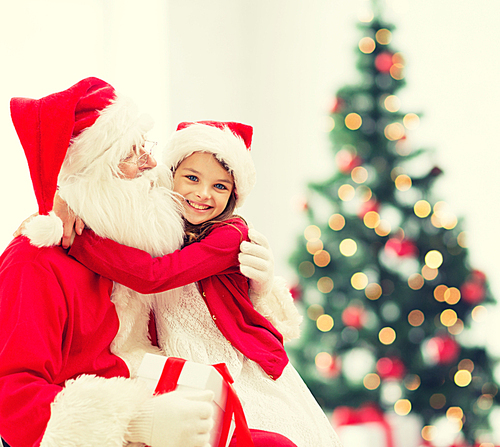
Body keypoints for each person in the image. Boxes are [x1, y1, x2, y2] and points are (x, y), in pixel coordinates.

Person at [0, 78, 297, 447]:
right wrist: (136, 423)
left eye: (147, 147)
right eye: (133, 154)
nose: (153, 164)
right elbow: (11, 401)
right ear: (96, 170)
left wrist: (261, 290)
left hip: (158, 389)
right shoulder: (35, 261)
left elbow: (199, 308)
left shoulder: (129, 245)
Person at [64, 121, 344, 447]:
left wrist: (78, 240)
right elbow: (118, 209)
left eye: (220, 186)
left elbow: (156, 276)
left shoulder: (230, 234)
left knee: (266, 434)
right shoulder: (161, 225)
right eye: (192, 178)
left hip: (237, 366)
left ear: (234, 195)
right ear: (170, 175)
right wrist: (71, 205)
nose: (203, 194)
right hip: (184, 366)